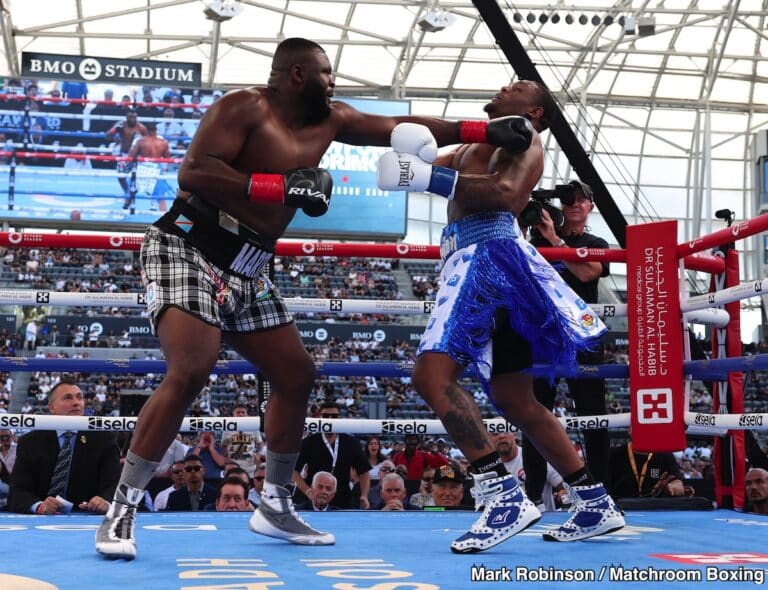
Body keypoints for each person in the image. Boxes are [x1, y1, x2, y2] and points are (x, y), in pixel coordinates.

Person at [95, 36, 536, 560]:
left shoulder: (333, 119)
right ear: (298, 74)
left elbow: (400, 129)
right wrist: (279, 187)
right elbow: (193, 172)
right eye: (326, 73)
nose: (334, 82)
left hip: (249, 264)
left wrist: (482, 130)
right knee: (192, 367)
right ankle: (121, 509)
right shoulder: (244, 106)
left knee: (297, 374)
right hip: (188, 243)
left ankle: (276, 503)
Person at [377, 79, 624, 552]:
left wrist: (425, 175)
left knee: (432, 378)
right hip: (480, 258)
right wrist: (416, 162)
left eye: (520, 86)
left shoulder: (526, 140)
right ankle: (594, 501)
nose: (506, 83)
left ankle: (501, 493)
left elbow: (507, 194)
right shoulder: (475, 144)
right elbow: (430, 165)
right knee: (518, 400)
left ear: (535, 112)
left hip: (486, 255)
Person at [524, 179, 612, 504]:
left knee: (593, 416)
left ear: (590, 207)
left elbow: (588, 273)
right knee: (534, 414)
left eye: (580, 200)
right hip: (544, 333)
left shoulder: (596, 241)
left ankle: (601, 494)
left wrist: (555, 240)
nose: (574, 205)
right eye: (568, 200)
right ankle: (533, 495)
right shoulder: (535, 238)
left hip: (582, 334)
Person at [9, 377, 121, 514]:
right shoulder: (30, 442)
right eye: (68, 398)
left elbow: (114, 485)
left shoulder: (104, 439)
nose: (76, 403)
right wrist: (39, 506)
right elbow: (18, 492)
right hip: (42, 522)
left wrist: (106, 502)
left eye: (79, 398)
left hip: (87, 518)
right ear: (51, 407)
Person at [293, 402, 371, 509]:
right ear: (320, 417)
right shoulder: (309, 442)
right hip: (314, 501)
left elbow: (364, 472)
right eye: (326, 416)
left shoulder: (351, 443)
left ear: (339, 418)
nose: (330, 419)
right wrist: (307, 491)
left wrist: (364, 495)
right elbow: (294, 471)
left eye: (334, 416)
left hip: (342, 500)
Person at [608, 437, 685, 498]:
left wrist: (671, 488)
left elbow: (679, 486)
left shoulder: (665, 454)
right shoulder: (614, 454)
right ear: (629, 429)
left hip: (654, 510)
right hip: (620, 509)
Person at [125, 121, 172, 211]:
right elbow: (167, 158)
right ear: (156, 130)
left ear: (146, 130)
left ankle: (124, 209)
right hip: (155, 168)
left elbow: (131, 156)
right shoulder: (163, 142)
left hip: (142, 167)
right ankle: (164, 214)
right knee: (160, 193)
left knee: (132, 189)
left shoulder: (140, 141)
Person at [105, 109, 147, 197]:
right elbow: (107, 137)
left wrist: (139, 140)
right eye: (130, 117)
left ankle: (132, 193)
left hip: (137, 156)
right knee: (120, 176)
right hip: (124, 155)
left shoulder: (141, 128)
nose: (132, 119)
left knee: (137, 178)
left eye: (134, 117)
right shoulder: (121, 125)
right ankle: (127, 193)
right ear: (126, 117)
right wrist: (115, 131)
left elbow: (148, 142)